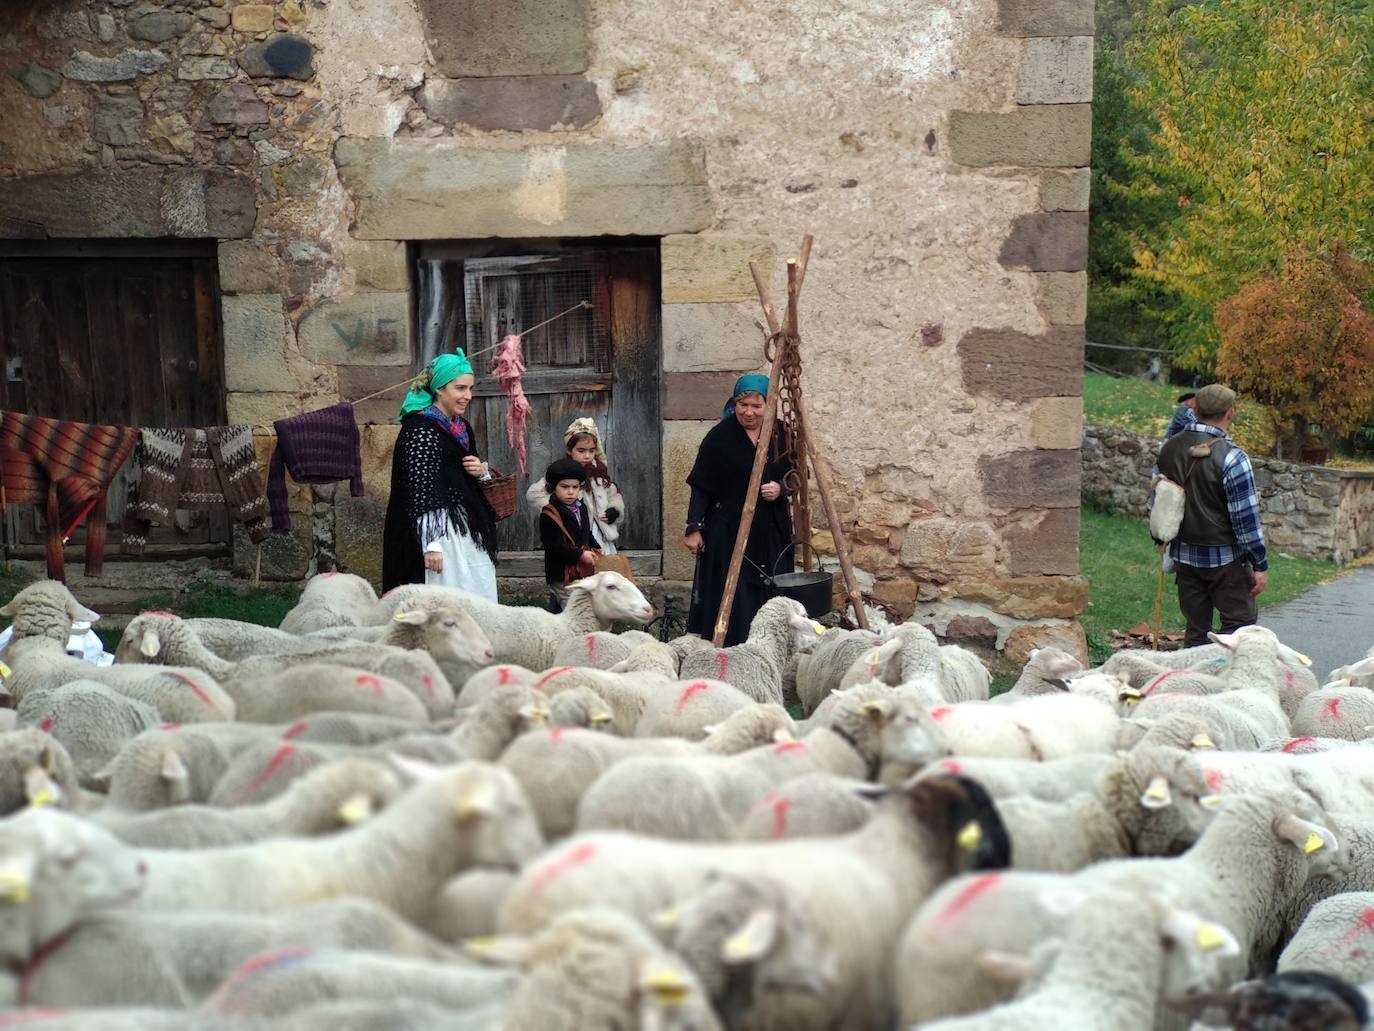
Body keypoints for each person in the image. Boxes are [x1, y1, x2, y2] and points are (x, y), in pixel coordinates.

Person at [683, 373, 794, 647]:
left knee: (771, 586)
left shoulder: (782, 435)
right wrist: (694, 527)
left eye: (756, 406)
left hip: (771, 529)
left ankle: (771, 645)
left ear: (769, 406)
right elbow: (701, 486)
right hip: (728, 530)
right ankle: (731, 646)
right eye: (743, 404)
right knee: (733, 591)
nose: (748, 412)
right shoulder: (720, 437)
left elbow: (797, 474)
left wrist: (781, 488)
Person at [1154, 383, 1268, 646]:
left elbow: (1157, 500)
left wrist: (1162, 538)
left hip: (1183, 556)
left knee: (1195, 632)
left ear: (1194, 409)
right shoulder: (1233, 458)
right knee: (1238, 633)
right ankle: (1228, 685)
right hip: (1226, 560)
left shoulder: (1169, 448)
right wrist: (1259, 563)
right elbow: (1245, 520)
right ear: (1230, 413)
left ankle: (1195, 685)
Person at [381, 350, 499, 599]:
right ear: (439, 389)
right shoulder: (419, 429)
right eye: (460, 388)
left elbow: (461, 476)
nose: (468, 396)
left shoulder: (462, 427)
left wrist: (480, 470)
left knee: (476, 589)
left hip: (464, 525)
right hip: (436, 532)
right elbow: (420, 488)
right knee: (444, 594)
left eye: (470, 388)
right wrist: (431, 544)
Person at [525, 417, 626, 554]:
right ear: (569, 449)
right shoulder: (562, 472)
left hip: (598, 534)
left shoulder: (598, 474)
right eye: (581, 450)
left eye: (591, 451)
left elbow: (613, 495)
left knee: (603, 567)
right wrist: (559, 511)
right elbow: (534, 494)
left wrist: (614, 511)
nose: (587, 456)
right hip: (572, 534)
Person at [539, 457, 599, 612]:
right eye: (564, 487)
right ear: (553, 488)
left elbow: (585, 533)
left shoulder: (582, 508)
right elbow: (554, 546)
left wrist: (596, 548)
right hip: (561, 572)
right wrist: (580, 555)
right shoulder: (549, 514)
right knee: (572, 607)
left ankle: (554, 622)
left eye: (575, 487)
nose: (571, 492)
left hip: (579, 570)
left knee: (567, 604)